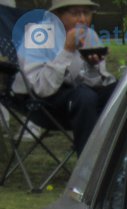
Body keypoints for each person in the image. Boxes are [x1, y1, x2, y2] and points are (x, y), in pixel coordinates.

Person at [14, 0, 116, 154]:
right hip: (40, 104)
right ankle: (88, 167)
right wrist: (67, 50)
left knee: (121, 91)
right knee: (84, 96)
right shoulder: (39, 34)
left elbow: (95, 84)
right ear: (57, 15)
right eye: (75, 13)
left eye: (86, 13)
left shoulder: (90, 36)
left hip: (79, 99)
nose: (82, 19)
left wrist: (92, 67)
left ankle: (122, 160)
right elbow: (41, 88)